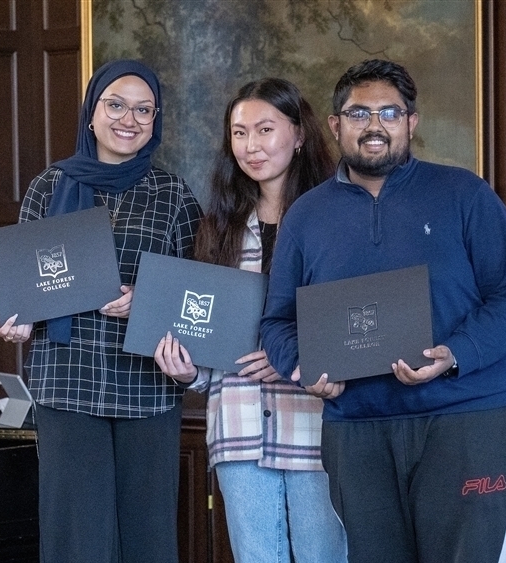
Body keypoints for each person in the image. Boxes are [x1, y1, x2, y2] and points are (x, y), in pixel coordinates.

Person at [260, 59, 506, 563]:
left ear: (411, 122)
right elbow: (278, 322)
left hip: (464, 419)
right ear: (334, 124)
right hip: (356, 430)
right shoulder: (305, 216)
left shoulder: (464, 194)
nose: (374, 125)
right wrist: (303, 367)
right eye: (358, 113)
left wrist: (454, 353)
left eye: (389, 113)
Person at [0, 59, 203, 563]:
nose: (129, 119)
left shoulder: (173, 195)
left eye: (143, 110)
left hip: (147, 388)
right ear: (91, 113)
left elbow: (200, 294)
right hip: (66, 386)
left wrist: (145, 302)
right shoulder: (49, 186)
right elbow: (29, 285)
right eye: (116, 105)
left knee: (149, 540)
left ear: (156, 120)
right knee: (74, 542)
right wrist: (20, 322)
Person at [153, 78, 347, 563]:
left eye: (265, 129)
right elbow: (207, 333)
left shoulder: (334, 220)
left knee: (325, 556)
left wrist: (290, 355)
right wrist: (187, 370)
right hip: (238, 429)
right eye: (239, 133)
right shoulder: (219, 225)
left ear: (299, 134)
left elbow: (354, 321)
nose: (251, 146)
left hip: (315, 426)